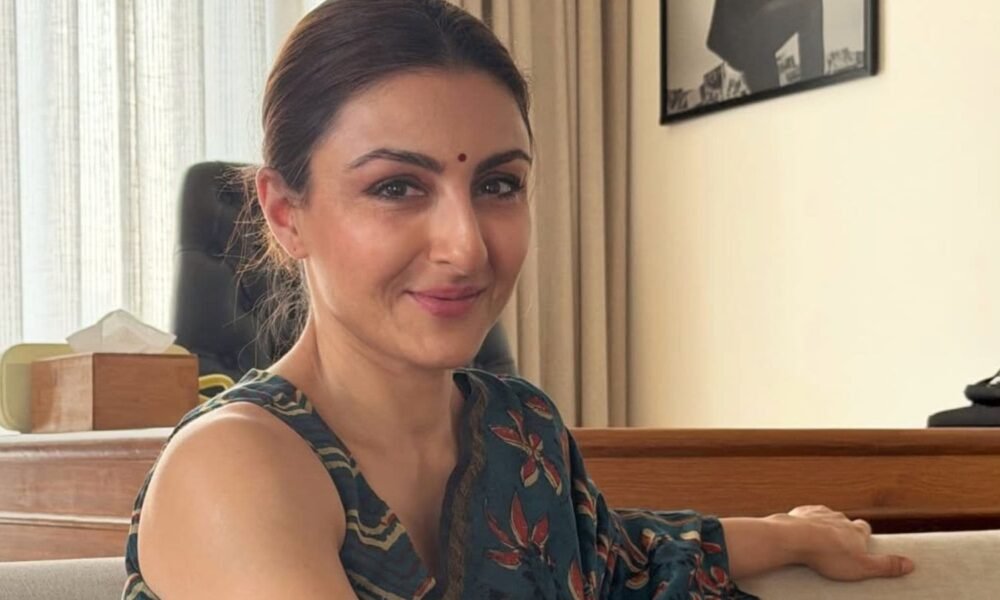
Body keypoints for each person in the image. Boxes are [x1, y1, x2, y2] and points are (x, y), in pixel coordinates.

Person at [123, 1, 914, 598]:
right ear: (285, 213)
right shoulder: (232, 468)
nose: (467, 246)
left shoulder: (519, 429)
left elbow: (619, 556)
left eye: (499, 184)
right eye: (396, 187)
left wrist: (789, 536)